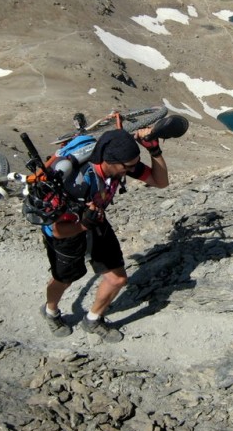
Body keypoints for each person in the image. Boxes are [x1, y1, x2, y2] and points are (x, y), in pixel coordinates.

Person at [39, 127, 168, 343]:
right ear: (109, 161)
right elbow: (56, 230)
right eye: (129, 167)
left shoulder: (121, 165)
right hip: (67, 230)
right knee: (64, 279)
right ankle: (50, 311)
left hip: (94, 219)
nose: (133, 169)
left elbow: (161, 181)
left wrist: (154, 152)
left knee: (117, 279)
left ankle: (93, 319)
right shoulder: (75, 183)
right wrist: (82, 226)